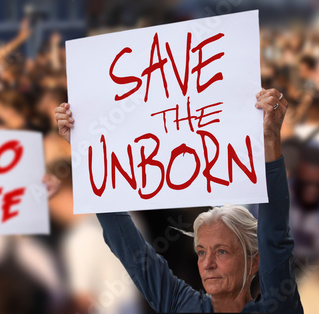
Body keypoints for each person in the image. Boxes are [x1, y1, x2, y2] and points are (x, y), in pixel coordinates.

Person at [55, 88, 304, 313]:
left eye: (222, 251)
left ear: (254, 263)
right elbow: (129, 247)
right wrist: (85, 152)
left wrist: (271, 140)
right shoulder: (180, 305)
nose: (207, 264)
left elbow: (274, 236)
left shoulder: (278, 307)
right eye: (201, 251)